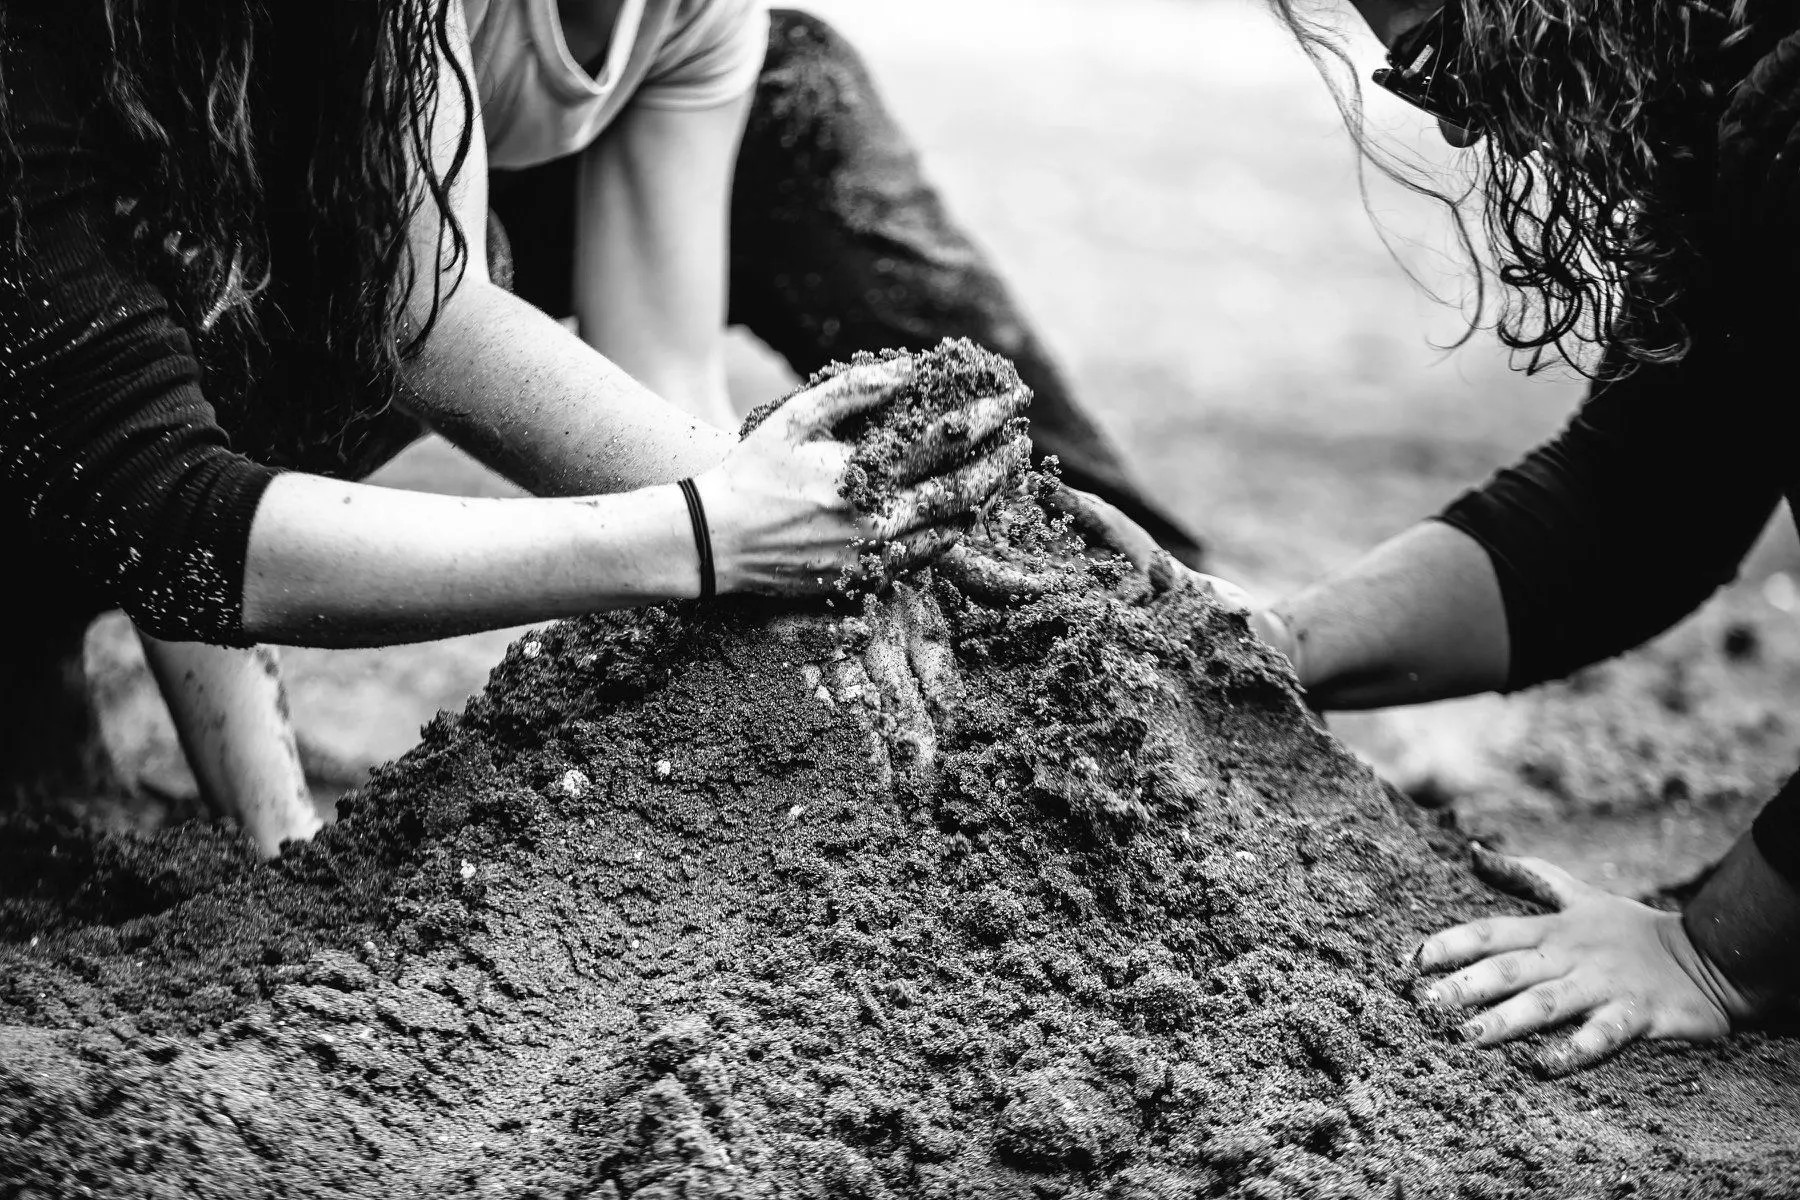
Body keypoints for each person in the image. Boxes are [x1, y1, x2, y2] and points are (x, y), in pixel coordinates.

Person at [0, 0, 1022, 851]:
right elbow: (172, 498)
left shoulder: (415, 48)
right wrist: (713, 532)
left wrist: (799, 525)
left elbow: (634, 367)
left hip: (221, 300)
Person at [1071, 0, 1800, 1074]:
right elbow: (1648, 496)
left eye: (1448, 60)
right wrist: (1268, 644)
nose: (1461, 131)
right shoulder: (1722, 90)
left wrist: (1716, 955)